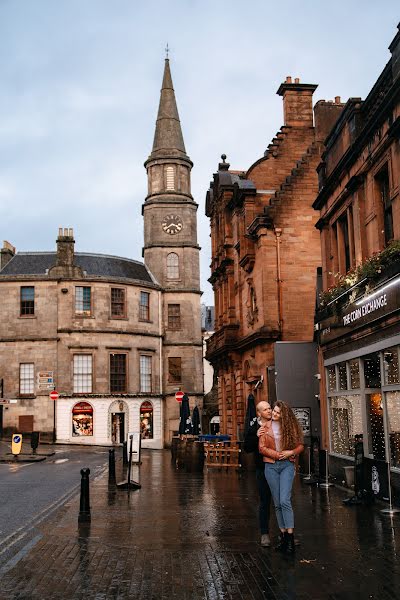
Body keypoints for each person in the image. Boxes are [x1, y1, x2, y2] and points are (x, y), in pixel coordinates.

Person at [259, 401, 304, 554]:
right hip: (270, 467)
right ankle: (284, 537)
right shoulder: (265, 427)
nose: (274, 414)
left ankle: (290, 538)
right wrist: (277, 455)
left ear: (284, 414)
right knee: (277, 503)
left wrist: (291, 453)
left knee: (285, 500)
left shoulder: (290, 427)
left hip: (287, 466)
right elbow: (262, 448)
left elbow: (300, 445)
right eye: (274, 411)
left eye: (278, 412)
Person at [243, 400, 273, 547]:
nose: (269, 411)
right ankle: (264, 533)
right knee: (264, 501)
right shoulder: (253, 426)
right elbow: (247, 448)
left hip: (278, 467)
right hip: (262, 469)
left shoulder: (277, 423)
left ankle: (287, 532)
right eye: (265, 409)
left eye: (270, 408)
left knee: (282, 501)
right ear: (259, 413)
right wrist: (255, 435)